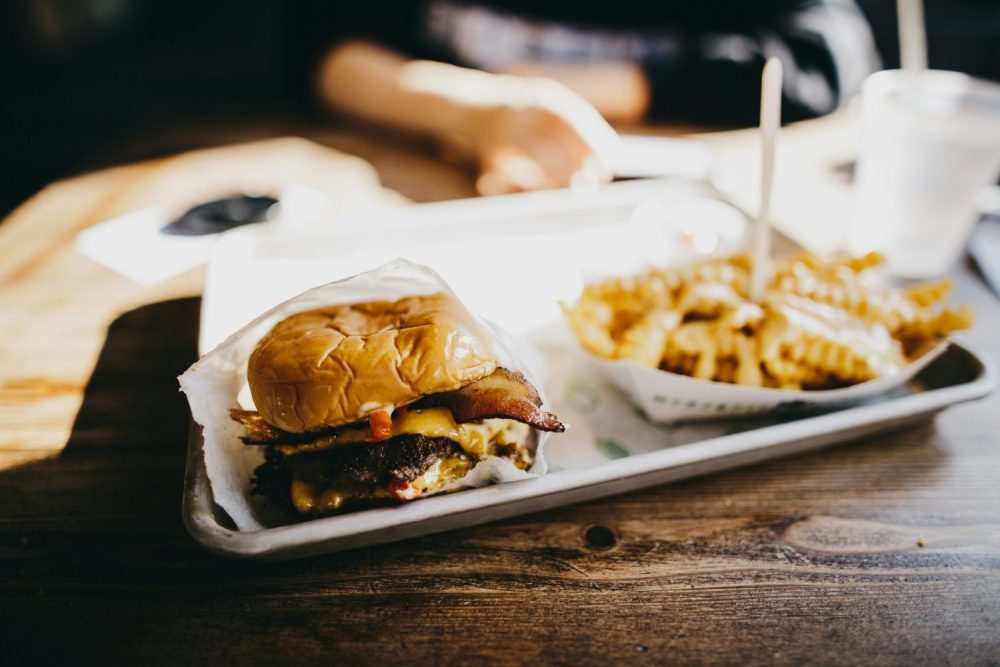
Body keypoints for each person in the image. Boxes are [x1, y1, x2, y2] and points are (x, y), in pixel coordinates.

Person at [312, 1, 879, 193]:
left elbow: (823, 58)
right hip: (430, 186)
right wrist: (477, 108)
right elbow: (328, 53)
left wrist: (585, 90)